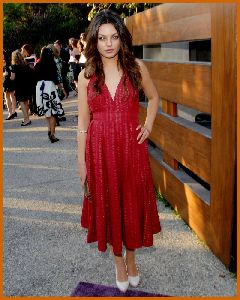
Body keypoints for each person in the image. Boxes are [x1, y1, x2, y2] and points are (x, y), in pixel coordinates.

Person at [77, 10, 161, 293]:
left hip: (131, 150)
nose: (108, 44)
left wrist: (147, 126)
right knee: (109, 205)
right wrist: (81, 163)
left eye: (114, 37)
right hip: (100, 153)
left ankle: (133, 257)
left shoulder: (136, 68)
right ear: (94, 41)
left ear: (122, 39)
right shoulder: (86, 76)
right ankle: (119, 263)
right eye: (102, 38)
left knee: (131, 203)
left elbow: (153, 97)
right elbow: (82, 125)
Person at [34, 47, 64, 143]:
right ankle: (52, 133)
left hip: (40, 88)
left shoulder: (38, 64)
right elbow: (55, 79)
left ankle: (49, 130)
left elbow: (34, 78)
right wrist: (61, 88)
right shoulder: (52, 64)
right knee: (54, 112)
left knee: (47, 111)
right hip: (49, 87)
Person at [10, 50, 32, 126]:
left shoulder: (14, 66)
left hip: (19, 86)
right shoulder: (25, 63)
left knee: (22, 103)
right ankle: (27, 118)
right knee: (26, 102)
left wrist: (8, 77)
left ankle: (26, 119)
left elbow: (12, 78)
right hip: (27, 85)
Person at [3, 50, 17, 120]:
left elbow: (6, 73)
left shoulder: (6, 63)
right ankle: (13, 112)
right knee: (11, 96)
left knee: (8, 96)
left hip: (7, 81)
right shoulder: (9, 62)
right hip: (9, 81)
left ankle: (11, 113)